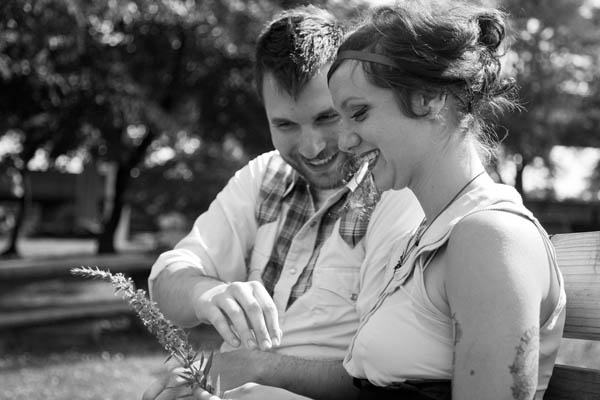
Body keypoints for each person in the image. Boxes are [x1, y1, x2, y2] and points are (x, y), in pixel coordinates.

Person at [192, 1, 567, 399]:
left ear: (428, 99)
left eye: (359, 113)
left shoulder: (490, 236)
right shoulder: (427, 237)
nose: (344, 141)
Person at [142, 5, 423, 400]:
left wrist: (255, 368)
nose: (311, 147)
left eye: (326, 118)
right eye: (286, 125)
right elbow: (165, 281)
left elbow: (383, 381)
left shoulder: (395, 191)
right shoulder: (263, 175)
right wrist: (206, 294)